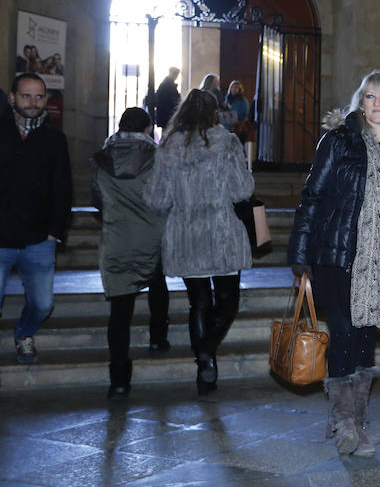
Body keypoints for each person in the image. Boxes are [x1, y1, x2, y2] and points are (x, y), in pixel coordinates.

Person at [287, 70, 380, 457]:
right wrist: (299, 252)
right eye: (369, 97)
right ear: (359, 102)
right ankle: (345, 421)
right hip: (338, 253)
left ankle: (355, 418)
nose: (377, 104)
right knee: (344, 332)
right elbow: (311, 196)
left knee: (365, 338)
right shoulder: (338, 141)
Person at [144, 89, 254, 395]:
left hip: (186, 233)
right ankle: (206, 352)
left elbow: (157, 198)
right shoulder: (227, 143)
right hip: (221, 231)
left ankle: (205, 363)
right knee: (228, 302)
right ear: (213, 113)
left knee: (200, 303)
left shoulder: (167, 147)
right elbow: (242, 190)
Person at [90, 108, 169, 400]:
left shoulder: (102, 159)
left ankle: (119, 379)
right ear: (148, 129)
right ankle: (158, 338)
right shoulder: (157, 158)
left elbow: (96, 197)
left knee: (119, 312)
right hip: (152, 235)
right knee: (157, 283)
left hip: (117, 238)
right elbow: (165, 197)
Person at [0, 73, 73, 364]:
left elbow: (63, 187)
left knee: (43, 304)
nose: (33, 102)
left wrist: (55, 230)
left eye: (39, 96)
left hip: (39, 238)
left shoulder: (55, 138)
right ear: (12, 98)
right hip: (0, 235)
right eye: (26, 96)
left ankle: (24, 332)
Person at [225, 80, 253, 144]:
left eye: (237, 87)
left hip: (238, 128)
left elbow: (244, 113)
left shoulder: (243, 100)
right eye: (233, 87)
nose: (234, 89)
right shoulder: (226, 99)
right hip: (227, 128)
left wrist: (232, 116)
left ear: (240, 89)